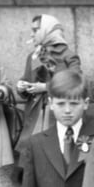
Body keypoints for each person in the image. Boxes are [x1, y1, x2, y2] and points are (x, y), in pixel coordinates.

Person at [15, 15, 81, 147]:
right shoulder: (33, 56)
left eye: (35, 30)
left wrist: (45, 87)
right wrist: (21, 86)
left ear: (47, 30)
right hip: (35, 114)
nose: (31, 34)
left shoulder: (68, 56)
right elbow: (27, 81)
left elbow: (76, 82)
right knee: (31, 150)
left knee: (55, 149)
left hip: (59, 111)